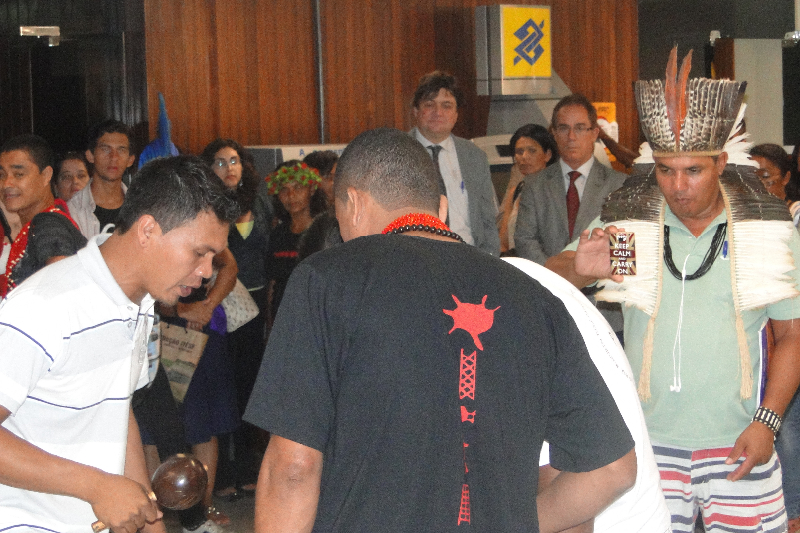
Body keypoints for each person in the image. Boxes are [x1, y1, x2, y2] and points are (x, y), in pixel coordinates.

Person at [244, 127, 637, 532]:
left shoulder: (326, 279)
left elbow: (293, 468)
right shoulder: (534, 298)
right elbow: (613, 469)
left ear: (355, 203)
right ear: (442, 209)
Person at [547, 48, 800, 533]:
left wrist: (767, 423)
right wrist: (578, 269)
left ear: (721, 162)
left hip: (740, 441)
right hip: (647, 442)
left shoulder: (765, 229)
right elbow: (548, 279)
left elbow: (792, 335)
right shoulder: (631, 224)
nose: (678, 186)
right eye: (665, 170)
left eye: (693, 171)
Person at [0, 155, 239, 533]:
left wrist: (149, 520)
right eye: (199, 252)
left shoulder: (138, 304)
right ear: (147, 230)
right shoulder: (46, 305)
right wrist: (95, 486)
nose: (207, 272)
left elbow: (117, 411)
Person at [514, 94, 627, 336]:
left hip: (605, 311)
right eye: (564, 128)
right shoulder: (534, 184)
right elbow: (524, 239)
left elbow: (624, 255)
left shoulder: (620, 186)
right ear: (554, 133)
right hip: (549, 305)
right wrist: (555, 279)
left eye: (580, 128)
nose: (571, 137)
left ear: (594, 133)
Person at [200, 138, 273, 504]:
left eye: (233, 160)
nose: (228, 167)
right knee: (220, 386)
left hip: (255, 307)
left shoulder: (261, 201)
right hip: (218, 302)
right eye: (219, 162)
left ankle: (247, 467)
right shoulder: (206, 205)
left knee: (248, 386)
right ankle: (224, 473)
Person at [410, 70, 500, 256]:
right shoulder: (397, 152)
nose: (438, 112)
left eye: (447, 105)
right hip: (416, 257)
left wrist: (489, 257)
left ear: (456, 114)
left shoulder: (475, 156)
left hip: (469, 255)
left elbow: (488, 219)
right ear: (416, 111)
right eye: (429, 105)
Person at [0, 134, 86, 298]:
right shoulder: (44, 221)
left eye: (19, 174)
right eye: (2, 175)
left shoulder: (48, 224)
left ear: (46, 175)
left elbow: (63, 295)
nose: (6, 184)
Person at [264, 160, 326, 323]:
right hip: (282, 316)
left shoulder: (324, 232)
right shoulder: (277, 233)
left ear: (311, 189)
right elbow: (273, 282)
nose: (291, 196)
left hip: (315, 317)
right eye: (284, 189)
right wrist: (271, 324)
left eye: (298, 188)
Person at [68, 119, 136, 238]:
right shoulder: (72, 211)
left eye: (121, 150)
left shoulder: (140, 207)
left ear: (130, 160)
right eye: (105, 149)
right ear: (90, 155)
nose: (113, 157)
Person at [498, 124, 558, 255]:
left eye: (532, 151)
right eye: (519, 152)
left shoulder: (557, 192)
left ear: (547, 155)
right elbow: (503, 242)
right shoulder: (515, 192)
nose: (524, 157)